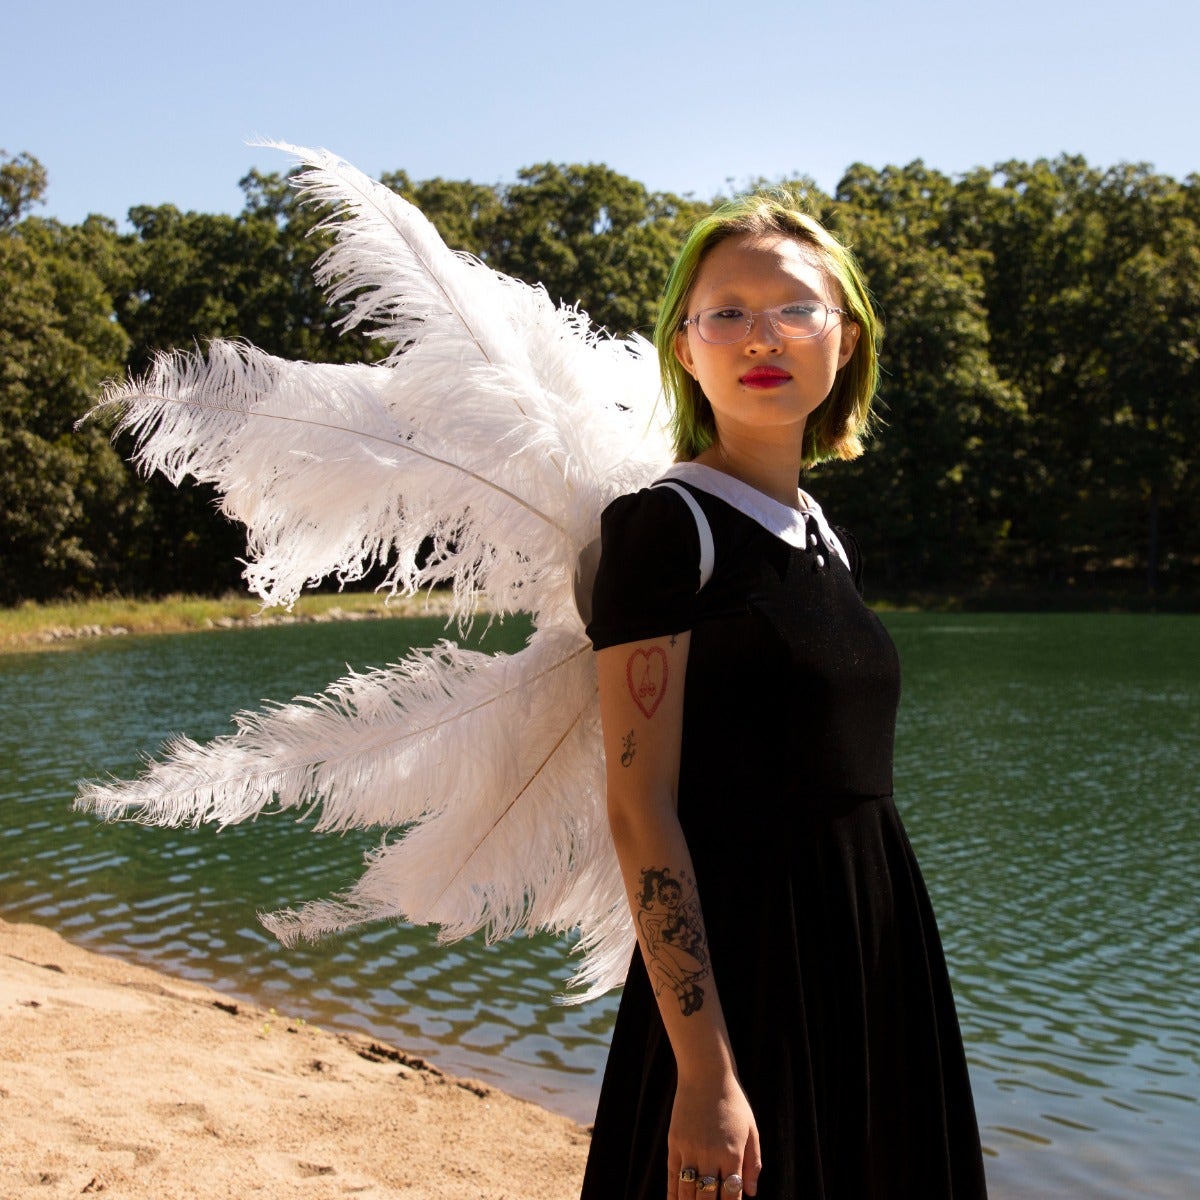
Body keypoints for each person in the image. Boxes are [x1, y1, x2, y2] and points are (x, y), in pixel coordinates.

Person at [580, 192, 988, 1199]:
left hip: (871, 955)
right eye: (729, 312)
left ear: (842, 340)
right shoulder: (666, 531)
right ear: (686, 346)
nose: (762, 336)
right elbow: (641, 809)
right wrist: (708, 1072)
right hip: (746, 975)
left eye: (796, 309)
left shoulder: (818, 533)